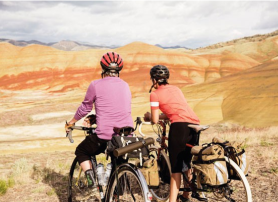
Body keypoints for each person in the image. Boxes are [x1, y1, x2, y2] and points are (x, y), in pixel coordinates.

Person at [65, 52, 133, 187]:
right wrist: (96, 118)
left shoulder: (96, 85)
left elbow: (85, 108)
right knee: (117, 162)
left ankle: (91, 179)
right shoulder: (125, 85)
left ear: (103, 68)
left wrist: (71, 122)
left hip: (105, 137)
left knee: (81, 151)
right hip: (126, 136)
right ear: (118, 70)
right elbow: (116, 108)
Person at [144, 65, 200, 202]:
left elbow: (155, 119)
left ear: (154, 80)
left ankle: (172, 200)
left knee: (176, 169)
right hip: (194, 124)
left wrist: (149, 117)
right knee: (186, 161)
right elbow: (176, 111)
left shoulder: (154, 94)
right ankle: (186, 196)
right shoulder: (176, 89)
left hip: (179, 128)